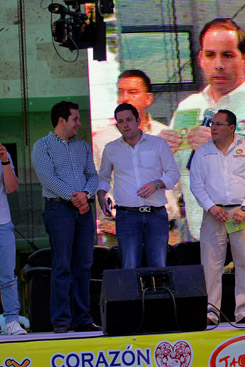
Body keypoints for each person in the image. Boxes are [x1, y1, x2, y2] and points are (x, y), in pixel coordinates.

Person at [161, 18, 245, 241]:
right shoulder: (189, 107)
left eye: (227, 55)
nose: (218, 64)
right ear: (200, 59)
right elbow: (174, 183)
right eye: (210, 55)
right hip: (197, 241)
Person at [92, 69, 183, 245]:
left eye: (132, 92)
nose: (125, 98)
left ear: (148, 99)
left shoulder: (166, 136)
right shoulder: (102, 140)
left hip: (165, 232)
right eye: (121, 92)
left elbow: (178, 187)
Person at [189, 109, 245, 324]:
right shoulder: (203, 152)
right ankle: (211, 313)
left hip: (240, 214)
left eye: (220, 124)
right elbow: (196, 183)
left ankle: (244, 311)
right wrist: (211, 207)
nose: (213, 127)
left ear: (232, 128)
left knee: (243, 262)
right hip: (214, 214)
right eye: (213, 123)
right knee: (211, 264)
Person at [32, 101, 100, 333]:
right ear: (62, 120)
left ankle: (83, 318)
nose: (79, 124)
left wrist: (87, 195)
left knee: (84, 265)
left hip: (84, 211)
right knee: (62, 265)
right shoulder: (42, 146)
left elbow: (93, 175)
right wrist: (75, 198)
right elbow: (47, 179)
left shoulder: (83, 146)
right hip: (59, 210)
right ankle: (61, 320)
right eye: (75, 119)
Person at [97, 103, 181, 269]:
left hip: (156, 215)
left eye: (129, 120)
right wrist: (104, 206)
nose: (125, 125)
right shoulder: (111, 148)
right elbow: (102, 181)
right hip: (127, 217)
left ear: (138, 121)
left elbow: (174, 175)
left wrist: (157, 184)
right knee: (130, 268)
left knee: (159, 266)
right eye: (120, 122)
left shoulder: (159, 142)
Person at [0, 143, 26, 335]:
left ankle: (12, 321)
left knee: (7, 276)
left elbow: (12, 187)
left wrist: (5, 161)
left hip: (2, 223)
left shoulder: (4, 155)